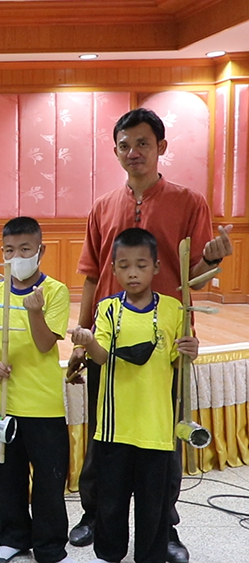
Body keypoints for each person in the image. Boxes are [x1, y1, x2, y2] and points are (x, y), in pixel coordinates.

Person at [68, 108, 234, 562]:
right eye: (124, 145)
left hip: (167, 343)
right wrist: (83, 336)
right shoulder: (102, 207)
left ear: (161, 147)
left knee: (166, 437)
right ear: (116, 151)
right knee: (104, 433)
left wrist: (213, 259)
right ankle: (95, 515)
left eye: (142, 143)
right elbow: (90, 275)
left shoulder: (189, 202)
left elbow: (194, 279)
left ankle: (165, 527)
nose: (133, 152)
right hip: (108, 340)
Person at [71, 228, 198, 563]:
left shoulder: (174, 309)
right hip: (114, 427)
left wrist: (191, 349)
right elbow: (101, 357)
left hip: (156, 426)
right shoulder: (108, 309)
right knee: (110, 498)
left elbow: (177, 360)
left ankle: (151, 554)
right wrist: (88, 342)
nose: (132, 273)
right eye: (124, 265)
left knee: (153, 501)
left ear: (156, 267)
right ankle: (108, 553)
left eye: (141, 265)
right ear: (113, 269)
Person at [0, 217, 74, 563]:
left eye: (25, 249)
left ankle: (49, 546)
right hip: (2, 404)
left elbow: (45, 344)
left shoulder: (55, 291)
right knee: (6, 477)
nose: (16, 257)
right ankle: (13, 538)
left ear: (40, 251)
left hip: (43, 405)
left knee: (48, 481)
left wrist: (34, 312)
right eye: (9, 250)